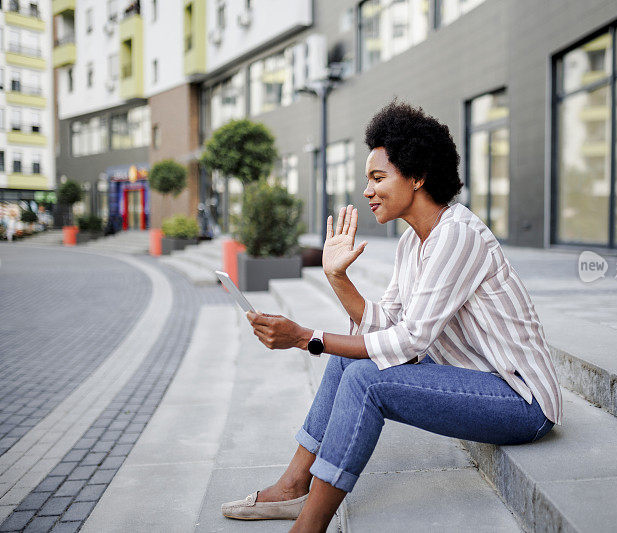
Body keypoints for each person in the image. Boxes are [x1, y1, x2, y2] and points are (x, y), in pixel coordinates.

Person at [222, 101, 562, 532]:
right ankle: (292, 486)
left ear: (418, 176)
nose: (367, 191)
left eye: (378, 177)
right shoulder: (413, 242)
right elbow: (386, 324)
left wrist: (306, 337)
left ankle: (307, 527)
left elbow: (408, 342)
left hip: (521, 400)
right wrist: (336, 277)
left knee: (368, 380)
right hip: (472, 375)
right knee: (350, 359)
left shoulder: (457, 234)